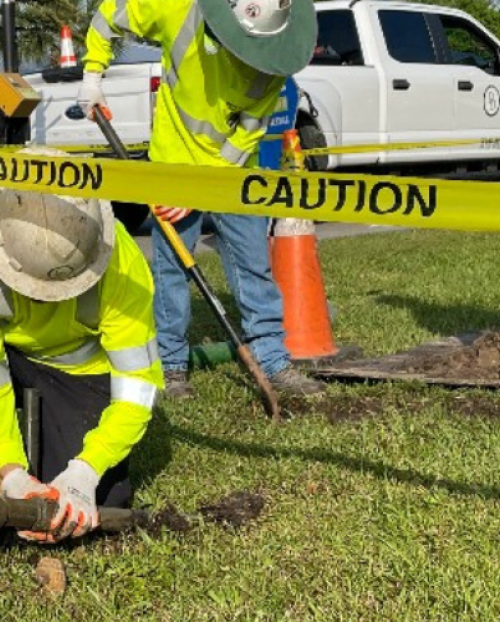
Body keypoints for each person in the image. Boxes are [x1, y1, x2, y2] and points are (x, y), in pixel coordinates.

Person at [79, 0, 326, 398]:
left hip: (231, 169)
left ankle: (272, 361)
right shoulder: (175, 9)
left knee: (253, 264)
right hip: (173, 162)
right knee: (171, 269)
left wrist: (202, 187)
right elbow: (109, 15)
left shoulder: (275, 59)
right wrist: (92, 75)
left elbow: (249, 130)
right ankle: (172, 366)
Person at [0, 174, 163, 543]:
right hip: (13, 355)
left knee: (91, 511)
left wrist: (86, 471)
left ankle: (46, 453)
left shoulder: (121, 263)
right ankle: (2, 462)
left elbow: (137, 388)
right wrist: (11, 470)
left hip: (78, 373)